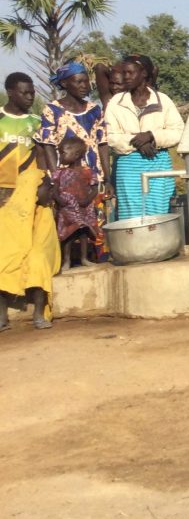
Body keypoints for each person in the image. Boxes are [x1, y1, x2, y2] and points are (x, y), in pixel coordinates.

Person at [0, 72, 60, 330]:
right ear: (10, 92)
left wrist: (46, 185)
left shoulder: (37, 123)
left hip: (34, 196)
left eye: (32, 92)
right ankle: (2, 316)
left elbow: (44, 157)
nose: (29, 97)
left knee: (38, 254)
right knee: (6, 254)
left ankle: (39, 313)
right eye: (24, 92)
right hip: (5, 200)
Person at [37, 61, 110, 261]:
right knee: (67, 222)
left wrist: (107, 178)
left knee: (94, 222)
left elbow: (103, 144)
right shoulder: (52, 110)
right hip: (65, 180)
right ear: (65, 84)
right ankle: (67, 261)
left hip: (92, 178)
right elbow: (47, 145)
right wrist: (55, 179)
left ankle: (96, 260)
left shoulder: (95, 110)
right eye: (78, 82)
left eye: (86, 81)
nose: (84, 86)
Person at [104, 54, 184, 220]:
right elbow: (110, 136)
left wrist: (152, 136)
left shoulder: (163, 100)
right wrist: (138, 142)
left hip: (158, 162)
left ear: (144, 74)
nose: (126, 77)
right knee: (131, 216)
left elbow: (178, 131)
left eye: (130, 73)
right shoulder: (116, 102)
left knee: (160, 213)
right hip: (128, 165)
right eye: (124, 73)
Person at [51, 137, 99, 271]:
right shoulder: (59, 173)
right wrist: (59, 200)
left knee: (83, 232)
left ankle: (84, 258)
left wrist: (88, 199)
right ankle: (67, 260)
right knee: (68, 234)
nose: (60, 157)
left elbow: (95, 189)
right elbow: (54, 190)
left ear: (77, 154)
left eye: (63, 153)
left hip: (84, 208)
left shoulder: (88, 172)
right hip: (67, 210)